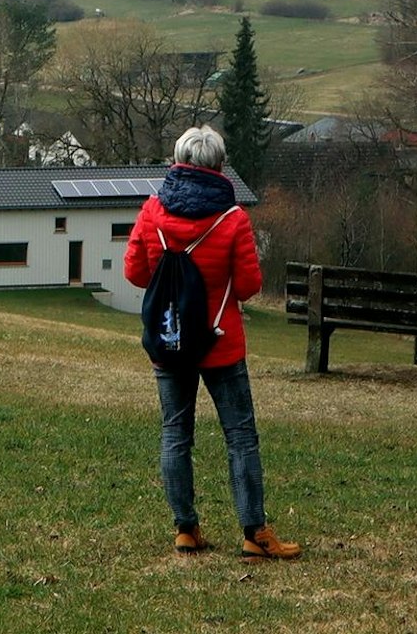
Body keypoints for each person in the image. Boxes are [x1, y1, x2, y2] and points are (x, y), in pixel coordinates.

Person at [125, 125, 302, 561]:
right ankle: (254, 533)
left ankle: (186, 529)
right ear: (220, 166)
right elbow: (248, 286)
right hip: (221, 343)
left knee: (175, 434)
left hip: (170, 340)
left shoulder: (152, 210)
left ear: (178, 161)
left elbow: (135, 271)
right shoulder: (233, 218)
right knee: (240, 436)